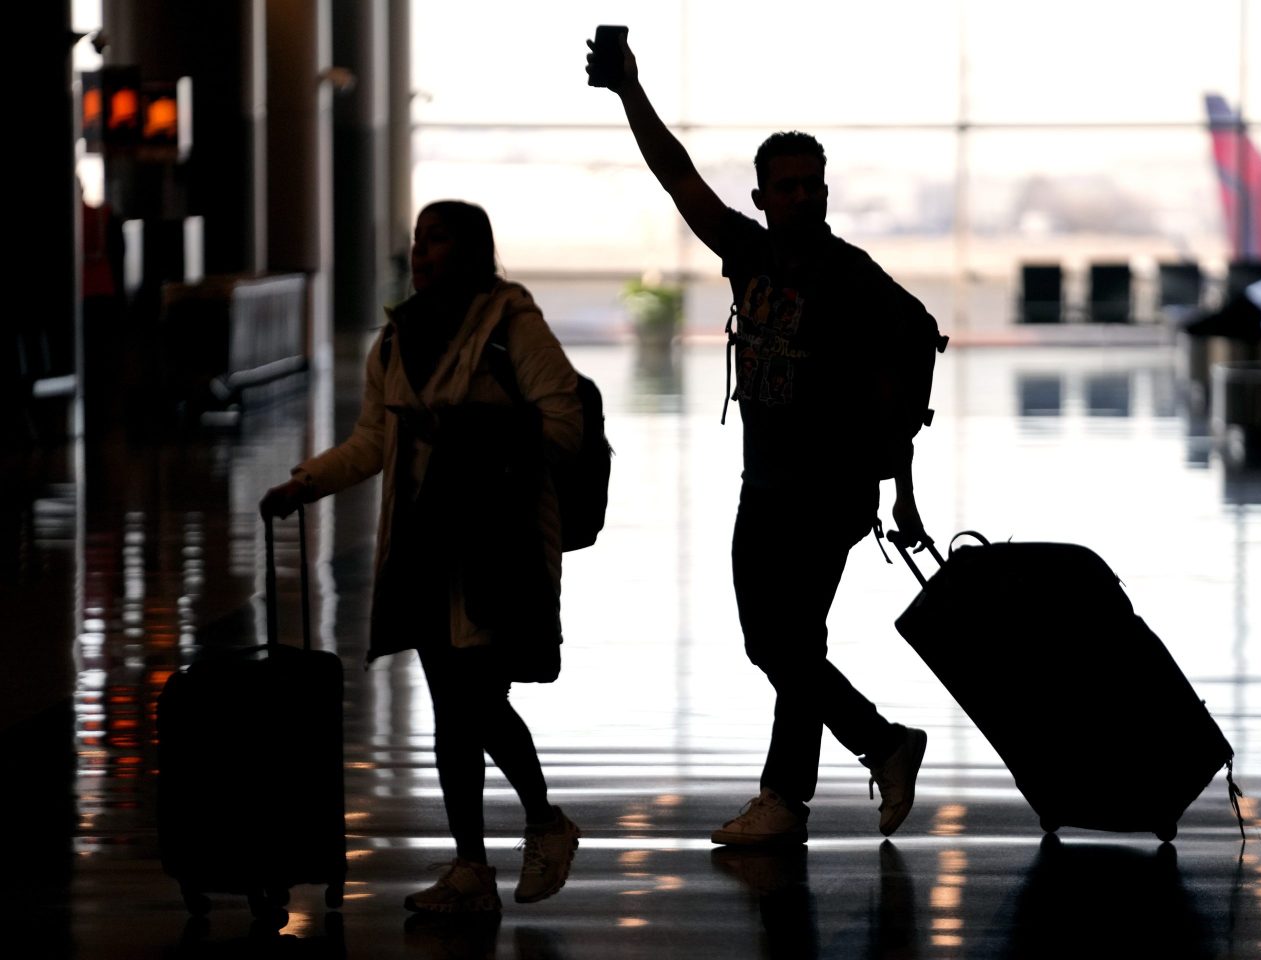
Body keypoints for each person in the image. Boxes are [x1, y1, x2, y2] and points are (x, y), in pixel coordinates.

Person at [588, 35, 936, 846]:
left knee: (784, 641)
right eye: (786, 188)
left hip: (831, 489)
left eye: (812, 186)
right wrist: (630, 93)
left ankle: (850, 762)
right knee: (778, 644)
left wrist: (902, 489)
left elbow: (908, 360)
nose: (802, 198)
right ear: (764, 194)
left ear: (824, 192)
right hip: (767, 482)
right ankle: (814, 783)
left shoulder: (851, 277)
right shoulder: (748, 253)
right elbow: (676, 176)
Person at [260, 200, 584, 915]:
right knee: (451, 708)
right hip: (423, 544)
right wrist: (304, 484)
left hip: (496, 545)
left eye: (436, 240)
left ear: (473, 251)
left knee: (478, 701)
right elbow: (375, 440)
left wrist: (464, 428)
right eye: (417, 241)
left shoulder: (512, 327)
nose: (421, 253)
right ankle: (471, 865)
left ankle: (544, 822)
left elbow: (564, 423)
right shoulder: (398, 336)